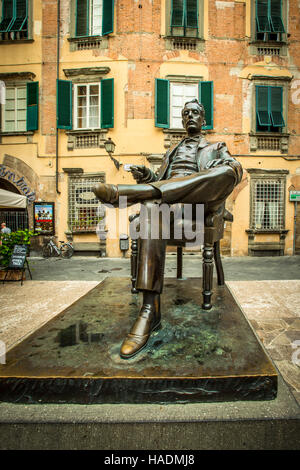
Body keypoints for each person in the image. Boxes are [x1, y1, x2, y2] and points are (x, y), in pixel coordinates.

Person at [93, 99, 243, 359]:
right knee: (152, 207)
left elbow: (232, 172)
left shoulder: (216, 147)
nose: (190, 116)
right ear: (183, 121)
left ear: (203, 119)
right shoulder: (171, 152)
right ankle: (150, 310)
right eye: (186, 114)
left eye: (195, 112)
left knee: (230, 171)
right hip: (168, 205)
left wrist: (220, 170)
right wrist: (148, 176)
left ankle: (132, 194)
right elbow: (163, 181)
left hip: (199, 206)